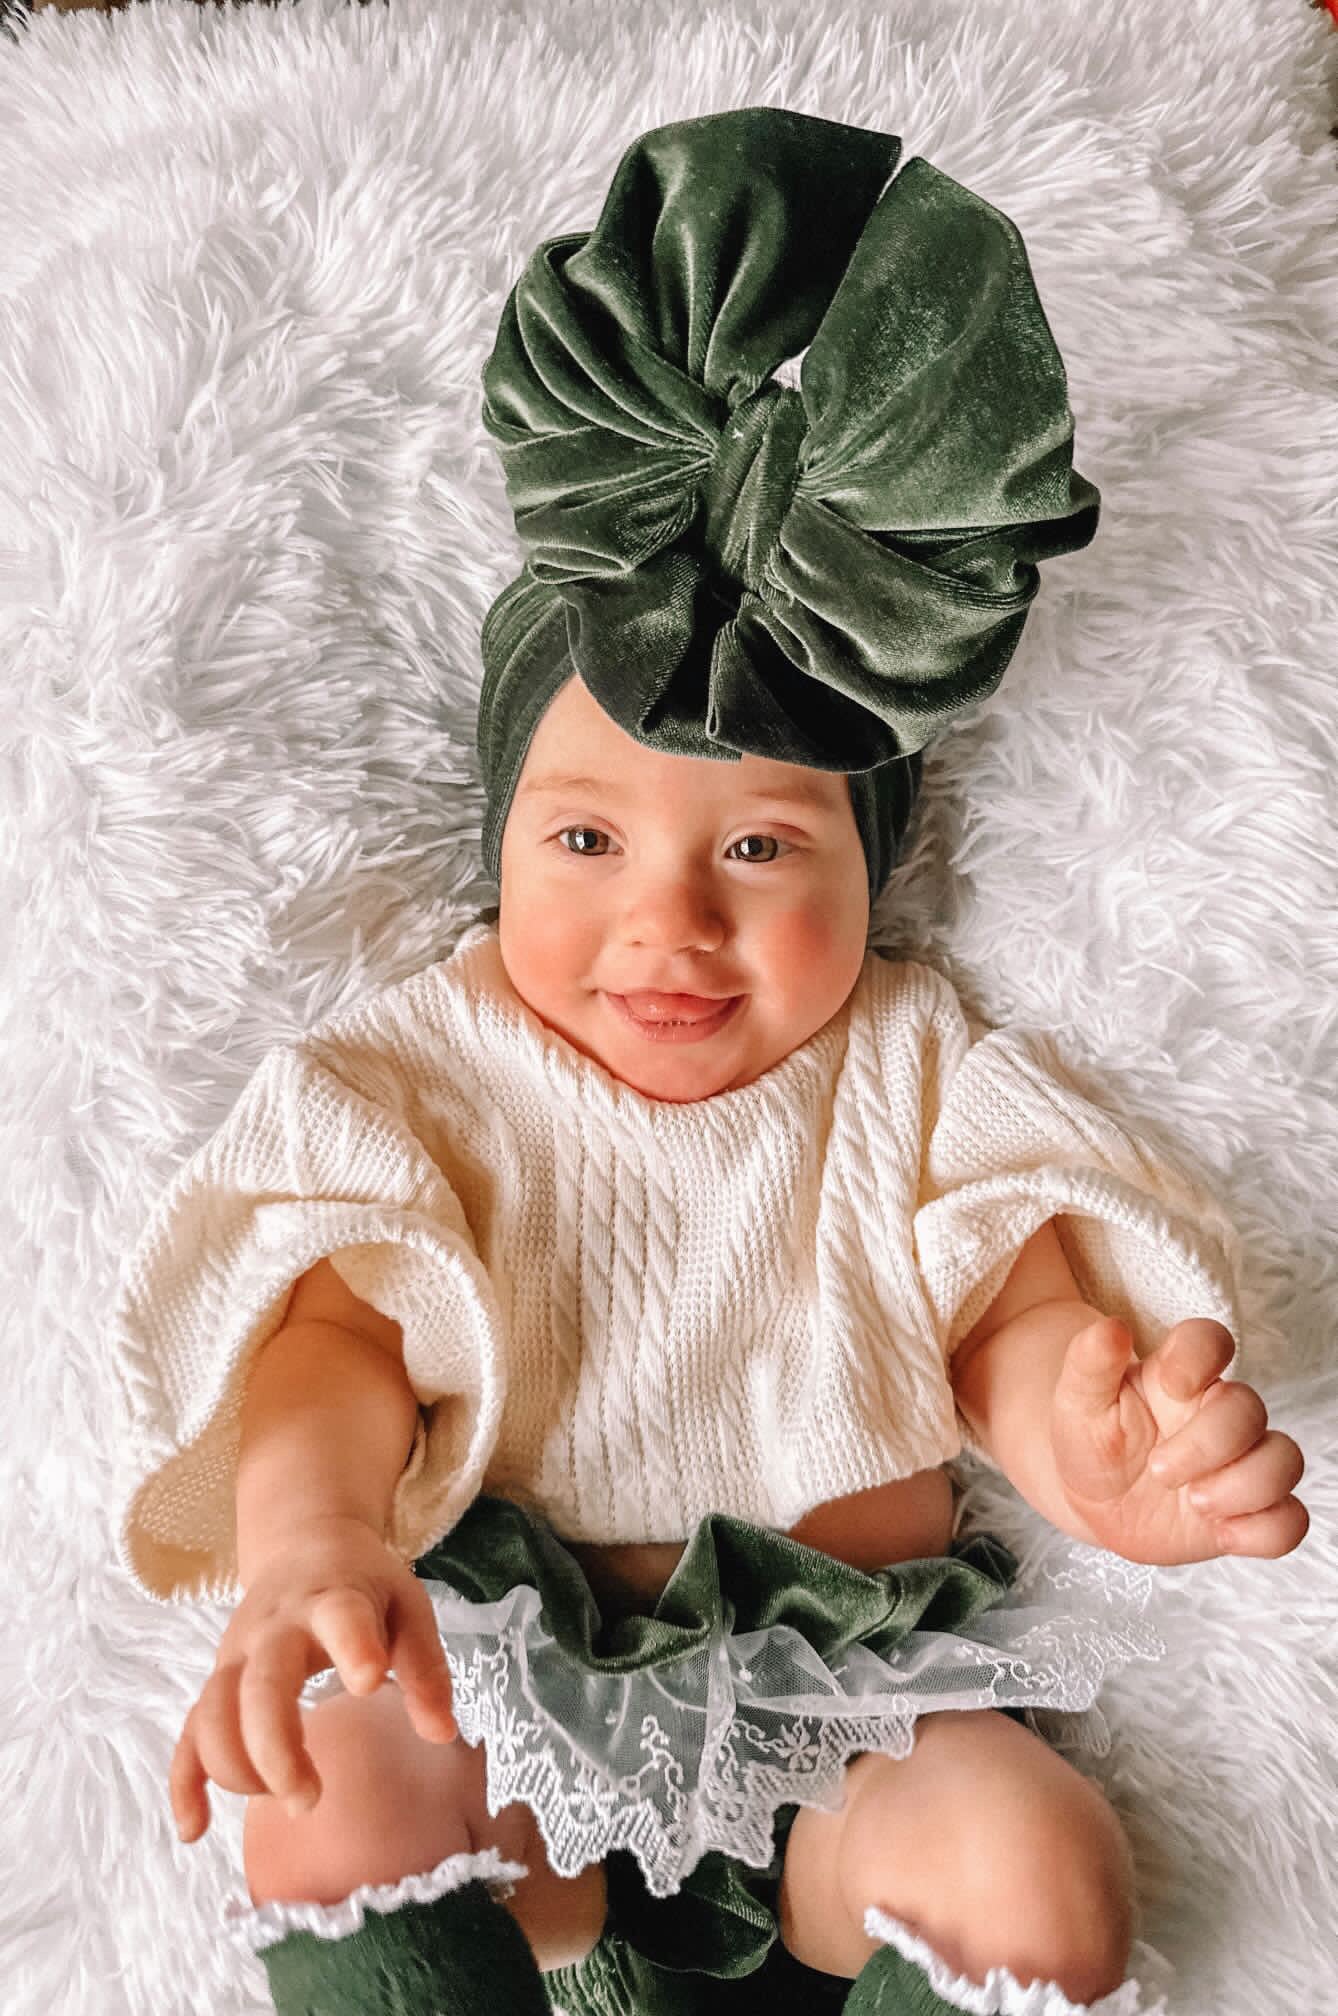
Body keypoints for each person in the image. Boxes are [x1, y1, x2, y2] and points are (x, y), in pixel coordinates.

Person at [108, 109, 1308, 2016]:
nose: (670, 925)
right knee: (324, 1780)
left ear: (866, 865)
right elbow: (330, 1346)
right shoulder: (425, 1067)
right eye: (584, 844)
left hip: (844, 1712)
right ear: (496, 842)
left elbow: (1004, 1315)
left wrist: (1093, 1443)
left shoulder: (914, 1066)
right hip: (491, 1679)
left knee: (1036, 1869)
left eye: (760, 848)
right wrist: (312, 1541)